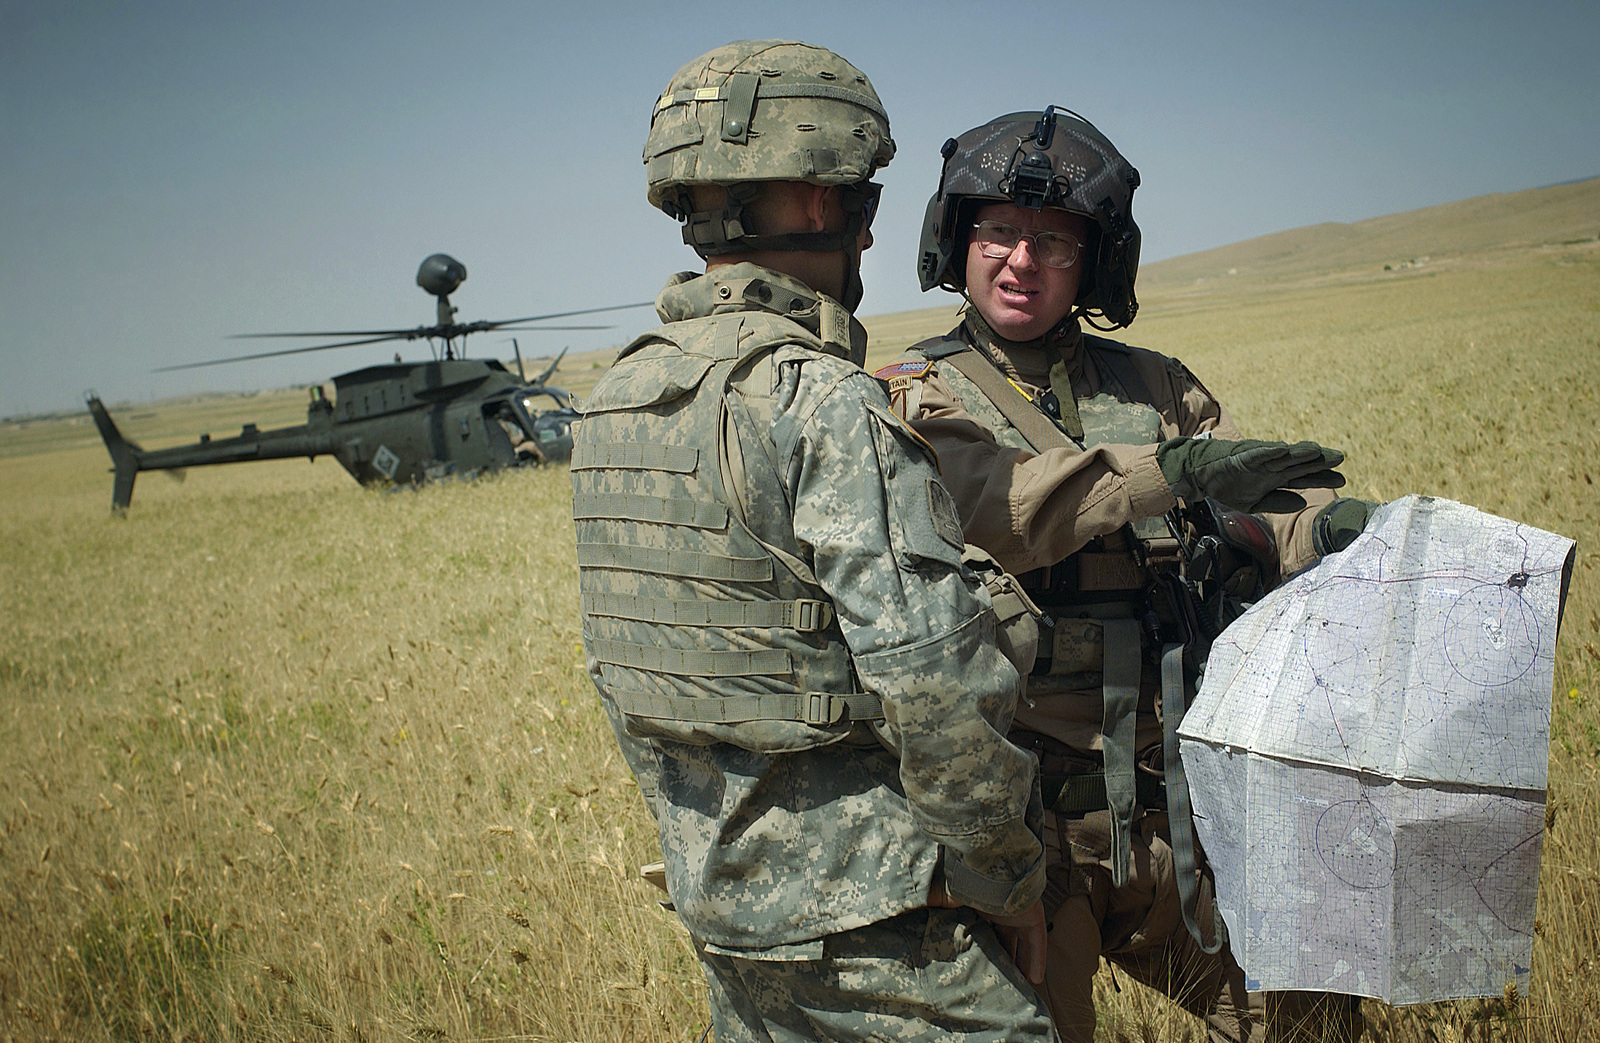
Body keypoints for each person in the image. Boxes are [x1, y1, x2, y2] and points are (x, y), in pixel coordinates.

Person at [573, 43, 1058, 1042]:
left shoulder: (613, 396)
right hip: (882, 923)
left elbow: (626, 671)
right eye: (859, 197)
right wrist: (1004, 876)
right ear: (815, 204)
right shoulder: (820, 399)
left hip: (725, 912)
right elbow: (933, 680)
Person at [876, 107, 1373, 1042]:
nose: (1021, 261)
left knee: (1313, 1016)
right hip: (1029, 840)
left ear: (1097, 261)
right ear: (957, 240)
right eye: (998, 233)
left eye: (1054, 241)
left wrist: (1337, 534)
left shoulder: (1158, 387)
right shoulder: (913, 393)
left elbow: (1243, 534)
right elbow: (1012, 512)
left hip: (1175, 812)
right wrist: (1170, 473)